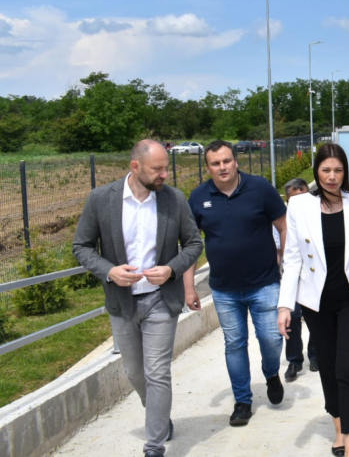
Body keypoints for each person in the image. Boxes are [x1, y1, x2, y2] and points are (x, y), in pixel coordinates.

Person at [73, 139, 203, 457]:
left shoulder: (174, 199)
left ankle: (153, 445)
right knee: (135, 373)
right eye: (157, 169)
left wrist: (171, 270)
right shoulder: (101, 199)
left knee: (157, 372)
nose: (164, 175)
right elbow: (82, 246)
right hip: (122, 302)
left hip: (161, 300)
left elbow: (193, 243)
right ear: (135, 166)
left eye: (166, 168)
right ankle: (159, 416)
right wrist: (109, 271)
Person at [277, 143, 349, 457]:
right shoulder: (299, 205)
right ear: (316, 171)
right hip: (315, 302)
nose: (332, 177)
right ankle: (339, 428)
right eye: (326, 170)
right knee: (329, 368)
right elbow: (292, 258)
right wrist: (285, 305)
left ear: (345, 172)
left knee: (347, 369)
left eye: (338, 170)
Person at [187, 140, 288, 426]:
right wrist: (189, 286)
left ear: (236, 161)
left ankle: (271, 373)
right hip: (224, 289)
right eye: (215, 163)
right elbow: (191, 244)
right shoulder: (198, 197)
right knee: (234, 344)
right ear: (208, 167)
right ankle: (242, 401)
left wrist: (285, 259)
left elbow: (284, 225)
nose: (222, 167)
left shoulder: (260, 188)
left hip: (265, 283)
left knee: (271, 338)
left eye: (226, 161)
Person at [278, 178, 319, 381]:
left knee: (315, 317)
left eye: (302, 196)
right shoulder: (282, 219)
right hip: (291, 276)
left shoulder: (317, 214)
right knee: (292, 318)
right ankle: (294, 360)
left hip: (314, 276)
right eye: (293, 199)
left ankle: (315, 355)